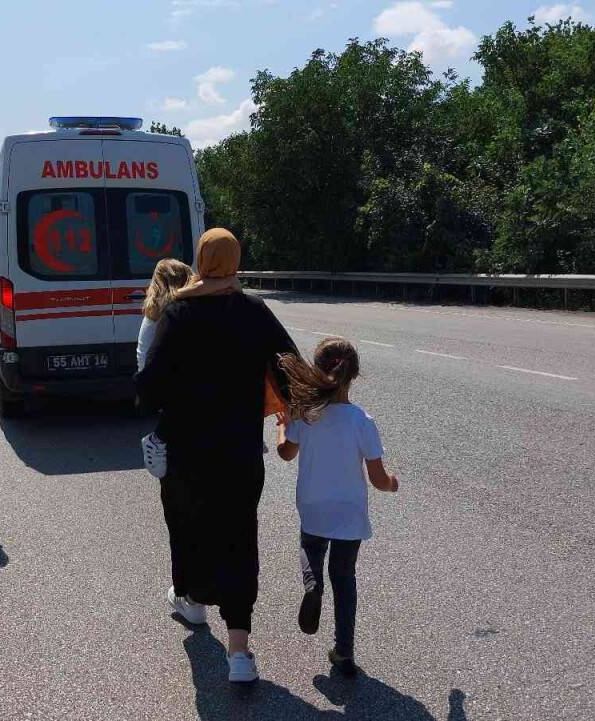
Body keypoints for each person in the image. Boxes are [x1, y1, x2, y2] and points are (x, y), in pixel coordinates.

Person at [136, 228, 298, 684]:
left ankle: (190, 601)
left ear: (202, 260)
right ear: (235, 260)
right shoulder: (254, 310)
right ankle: (240, 652)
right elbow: (291, 370)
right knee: (239, 535)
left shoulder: (178, 312)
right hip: (241, 450)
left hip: (188, 452)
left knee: (187, 526)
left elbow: (150, 387)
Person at [275, 337, 399, 678]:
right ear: (354, 375)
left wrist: (284, 425)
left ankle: (312, 585)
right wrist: (392, 483)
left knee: (310, 548)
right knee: (345, 579)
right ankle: (344, 652)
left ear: (316, 371)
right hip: (349, 514)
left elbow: (286, 454)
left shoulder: (307, 415)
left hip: (313, 507)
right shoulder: (362, 420)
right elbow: (377, 478)